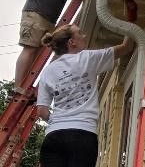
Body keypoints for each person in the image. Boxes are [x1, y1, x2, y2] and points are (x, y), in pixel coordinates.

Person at [35, 23, 134, 167]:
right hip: (82, 135)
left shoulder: (48, 71)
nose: (84, 36)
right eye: (80, 33)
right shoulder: (87, 58)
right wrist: (131, 19)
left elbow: (42, 112)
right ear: (72, 42)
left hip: (54, 136)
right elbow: (127, 47)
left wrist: (58, 121)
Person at [13, 0, 91, 93]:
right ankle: (18, 87)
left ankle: (27, 85)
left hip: (50, 19)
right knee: (30, 48)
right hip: (36, 12)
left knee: (38, 54)